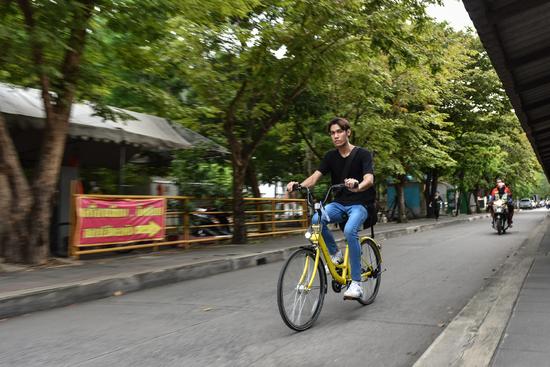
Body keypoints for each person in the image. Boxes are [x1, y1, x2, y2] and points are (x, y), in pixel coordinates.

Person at [287, 117, 375, 300]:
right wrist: (298, 186)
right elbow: (314, 178)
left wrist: (357, 185)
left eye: (339, 131)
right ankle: (335, 254)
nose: (335, 136)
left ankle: (356, 283)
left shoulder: (363, 154)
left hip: (359, 204)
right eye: (332, 133)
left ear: (348, 132)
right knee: (316, 219)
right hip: (339, 204)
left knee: (350, 230)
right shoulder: (330, 157)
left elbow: (369, 179)